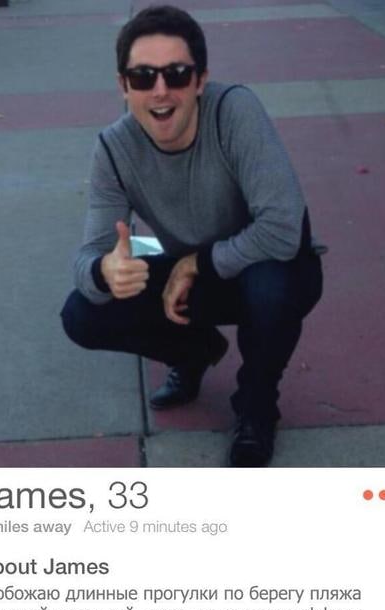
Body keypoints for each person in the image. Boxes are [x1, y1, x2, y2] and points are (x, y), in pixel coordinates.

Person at [61, 5, 325, 467]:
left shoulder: (234, 111)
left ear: (200, 80)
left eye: (177, 74)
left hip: (268, 265)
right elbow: (88, 257)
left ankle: (257, 407)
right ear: (124, 86)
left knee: (271, 286)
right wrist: (105, 271)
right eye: (143, 76)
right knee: (82, 314)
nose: (161, 90)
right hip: (197, 280)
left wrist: (196, 263)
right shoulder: (113, 148)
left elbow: (283, 228)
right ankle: (195, 352)